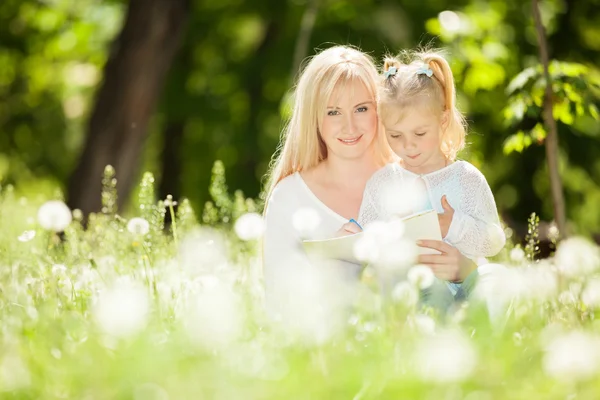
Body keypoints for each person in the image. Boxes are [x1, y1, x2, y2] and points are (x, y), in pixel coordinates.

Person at [262, 46, 479, 316]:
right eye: (333, 112)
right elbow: (279, 304)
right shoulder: (289, 197)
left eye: (361, 108)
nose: (350, 126)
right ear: (313, 118)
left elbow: (458, 290)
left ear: (381, 110)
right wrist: (334, 263)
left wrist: (464, 270)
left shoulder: (416, 181)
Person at [357, 49, 506, 296]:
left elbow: (494, 241)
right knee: (424, 289)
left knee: (499, 279)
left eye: (419, 133)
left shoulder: (465, 178)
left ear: (443, 120)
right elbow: (367, 249)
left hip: (467, 286)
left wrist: (454, 226)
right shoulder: (382, 184)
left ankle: (480, 327)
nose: (408, 145)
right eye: (395, 135)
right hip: (412, 291)